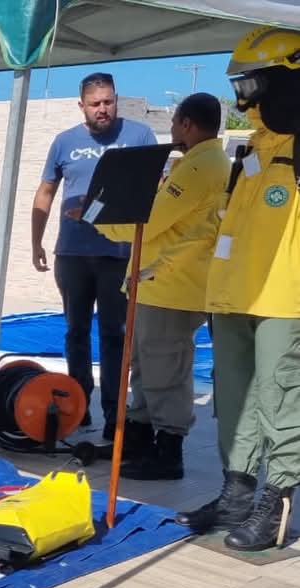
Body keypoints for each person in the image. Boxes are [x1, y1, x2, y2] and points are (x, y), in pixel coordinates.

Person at [177, 27, 300, 551]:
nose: (242, 101)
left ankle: (278, 505)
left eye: (250, 86)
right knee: (234, 401)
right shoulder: (250, 150)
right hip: (231, 297)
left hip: (283, 299)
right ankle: (236, 495)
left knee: (280, 400)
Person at [92, 93, 229, 480]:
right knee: (145, 365)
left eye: (173, 123)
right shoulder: (201, 163)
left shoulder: (200, 167)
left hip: (171, 285)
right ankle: (137, 437)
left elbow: (149, 221)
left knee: (166, 369)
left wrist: (98, 220)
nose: (171, 130)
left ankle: (168, 451)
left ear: (187, 124)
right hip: (157, 282)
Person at [32, 72, 157, 441]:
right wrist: (36, 242)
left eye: (108, 102)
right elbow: (45, 193)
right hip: (72, 253)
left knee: (115, 333)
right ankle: (78, 404)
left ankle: (115, 413)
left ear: (116, 100)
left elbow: (154, 190)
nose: (103, 109)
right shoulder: (64, 142)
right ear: (81, 106)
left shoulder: (139, 136)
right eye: (95, 104)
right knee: (76, 332)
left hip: (118, 255)